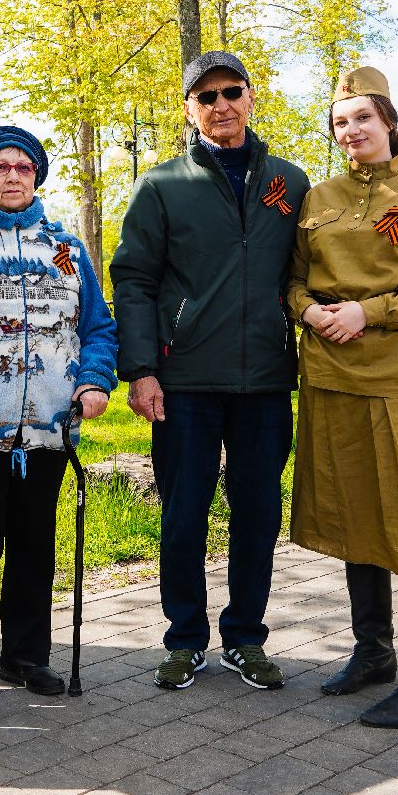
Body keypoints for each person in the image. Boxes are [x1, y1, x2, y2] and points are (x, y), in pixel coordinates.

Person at [110, 51, 310, 691]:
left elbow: (308, 272)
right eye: (206, 96)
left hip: (266, 382)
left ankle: (246, 637)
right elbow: (134, 280)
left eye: (232, 92)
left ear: (250, 98)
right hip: (186, 382)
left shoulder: (291, 182)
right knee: (184, 513)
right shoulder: (162, 186)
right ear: (190, 107)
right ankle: (185, 639)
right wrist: (141, 369)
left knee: (257, 512)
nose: (221, 105)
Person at [285, 66, 398, 729]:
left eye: (363, 117)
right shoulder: (317, 197)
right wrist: (310, 314)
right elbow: (295, 282)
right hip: (329, 380)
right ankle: (374, 655)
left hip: (397, 381)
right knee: (354, 516)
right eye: (341, 121)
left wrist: (367, 313)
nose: (352, 130)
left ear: (389, 122)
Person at [0, 126, 118, 715]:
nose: (13, 176)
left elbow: (98, 328)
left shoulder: (67, 250)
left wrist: (92, 380)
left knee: (36, 543)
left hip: (49, 426)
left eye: (23, 168)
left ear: (36, 176)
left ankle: (27, 656)